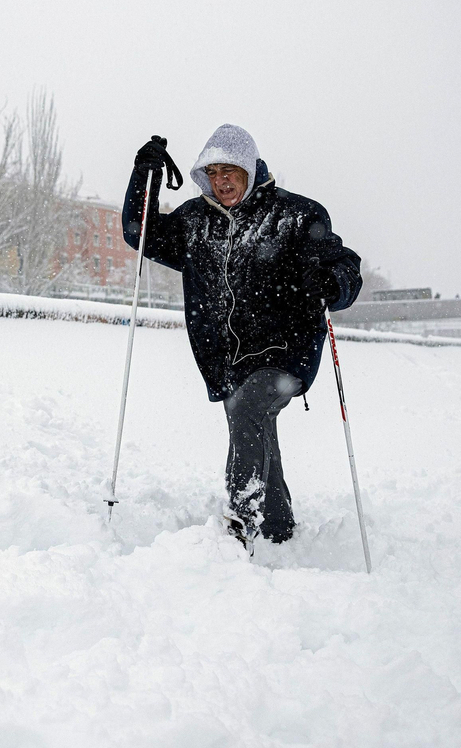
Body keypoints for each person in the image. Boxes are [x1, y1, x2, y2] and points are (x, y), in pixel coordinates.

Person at [124, 124, 362, 547]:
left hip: (286, 352)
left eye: (230, 171)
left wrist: (334, 282)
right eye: (212, 173)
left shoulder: (296, 216)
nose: (221, 182)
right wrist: (146, 174)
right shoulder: (195, 222)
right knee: (253, 424)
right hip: (227, 359)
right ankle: (278, 526)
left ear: (250, 168)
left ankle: (240, 525)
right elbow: (139, 233)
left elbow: (345, 265)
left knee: (248, 408)